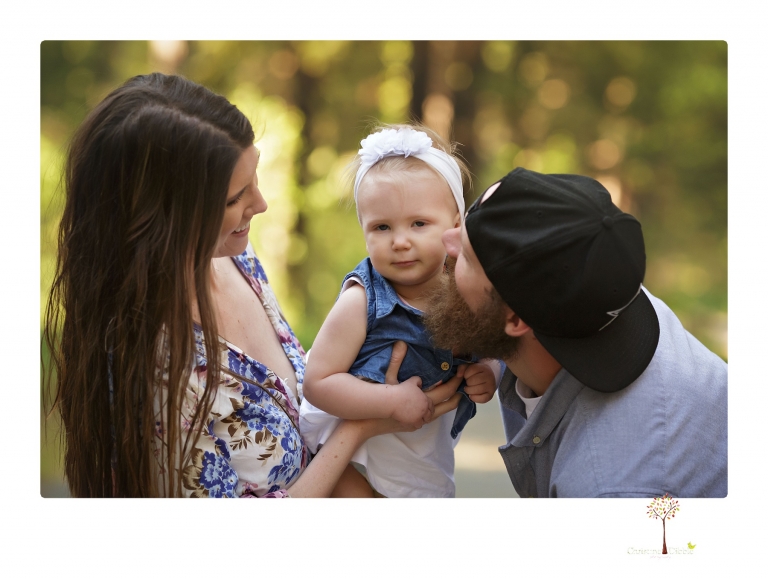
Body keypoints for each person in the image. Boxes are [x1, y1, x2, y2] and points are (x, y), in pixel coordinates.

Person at [43, 73, 461, 498]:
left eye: (254, 179)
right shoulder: (157, 370)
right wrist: (361, 428)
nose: (260, 204)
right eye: (234, 198)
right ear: (166, 218)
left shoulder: (233, 258)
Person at [425, 167, 728, 498]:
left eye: (468, 257)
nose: (446, 240)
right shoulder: (593, 284)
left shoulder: (608, 488)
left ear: (514, 320)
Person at [300, 125, 500, 498]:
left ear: (456, 224)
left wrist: (489, 369)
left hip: (419, 453)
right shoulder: (362, 301)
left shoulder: (466, 289)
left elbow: (491, 341)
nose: (400, 241)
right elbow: (318, 381)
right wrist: (388, 401)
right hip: (353, 455)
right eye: (382, 227)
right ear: (364, 231)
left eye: (419, 224)